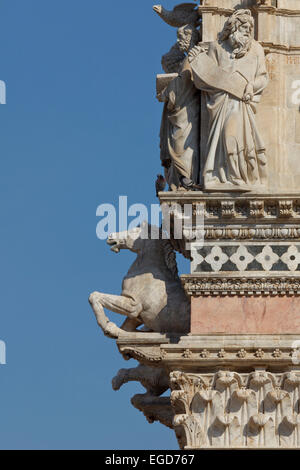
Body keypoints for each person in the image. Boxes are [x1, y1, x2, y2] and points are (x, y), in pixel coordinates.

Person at [189, 9, 269, 190]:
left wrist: (251, 86)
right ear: (233, 28)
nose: (248, 31)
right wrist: (196, 62)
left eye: (250, 27)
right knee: (228, 137)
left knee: (242, 142)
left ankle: (241, 176)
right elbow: (205, 77)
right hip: (222, 105)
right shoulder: (217, 49)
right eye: (244, 27)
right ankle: (229, 176)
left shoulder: (256, 50)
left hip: (242, 106)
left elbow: (263, 78)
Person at [157, 24, 201, 190]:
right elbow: (167, 59)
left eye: (181, 37)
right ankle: (181, 180)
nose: (178, 41)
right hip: (178, 108)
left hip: (187, 110)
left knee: (183, 145)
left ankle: (185, 179)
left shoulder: (194, 57)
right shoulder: (187, 58)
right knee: (178, 144)